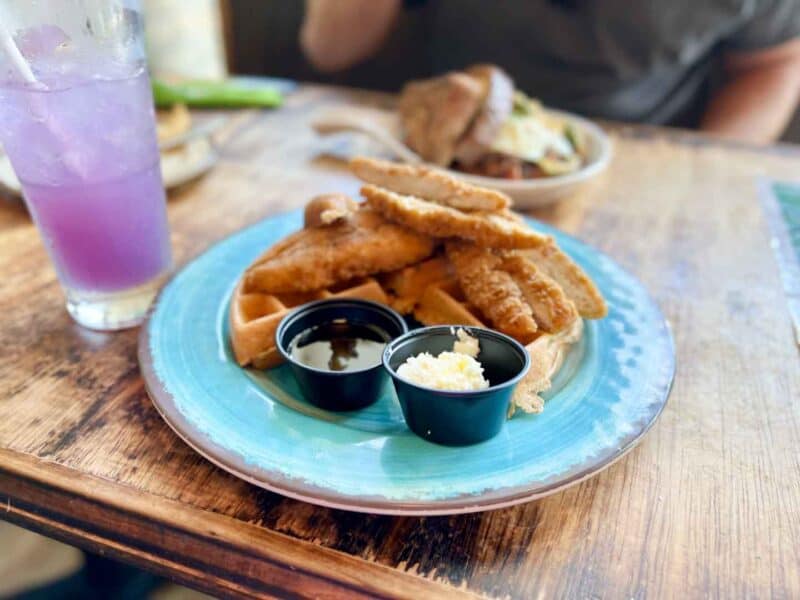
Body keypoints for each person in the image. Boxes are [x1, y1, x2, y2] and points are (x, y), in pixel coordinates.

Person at [300, 0, 800, 143]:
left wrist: (702, 166)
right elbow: (329, 48)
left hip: (642, 151)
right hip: (443, 144)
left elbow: (775, 62)